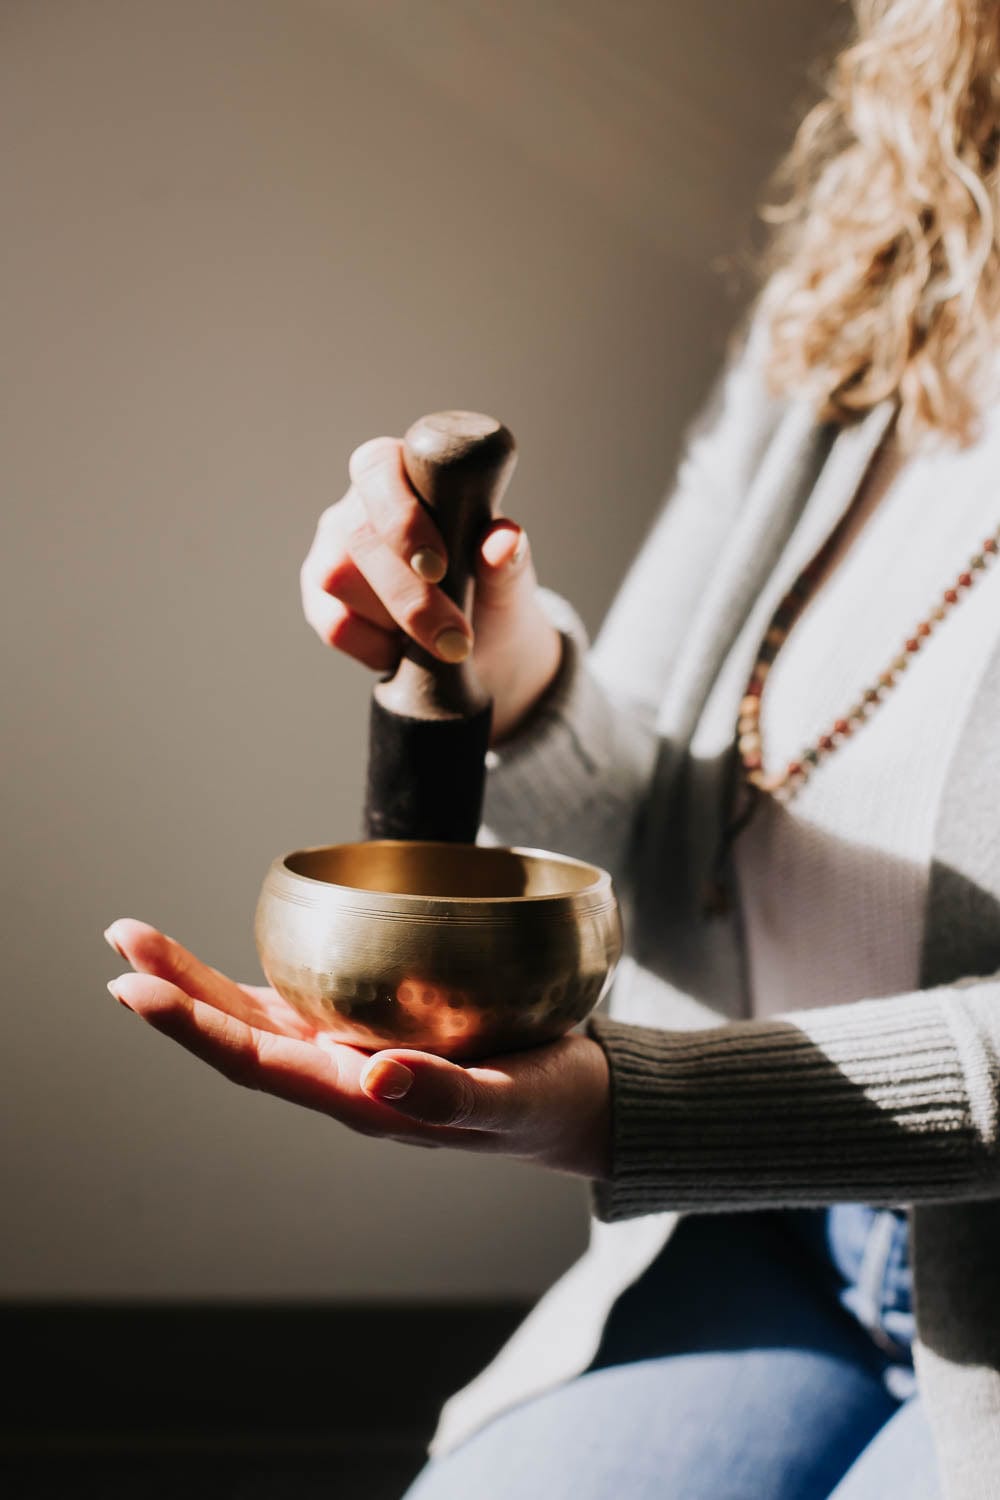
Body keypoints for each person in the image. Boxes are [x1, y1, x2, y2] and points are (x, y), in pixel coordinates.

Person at [104, 1, 1000, 1495]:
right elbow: (641, 809)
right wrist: (495, 659)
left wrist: (628, 1107)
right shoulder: (903, 236)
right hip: (753, 1234)